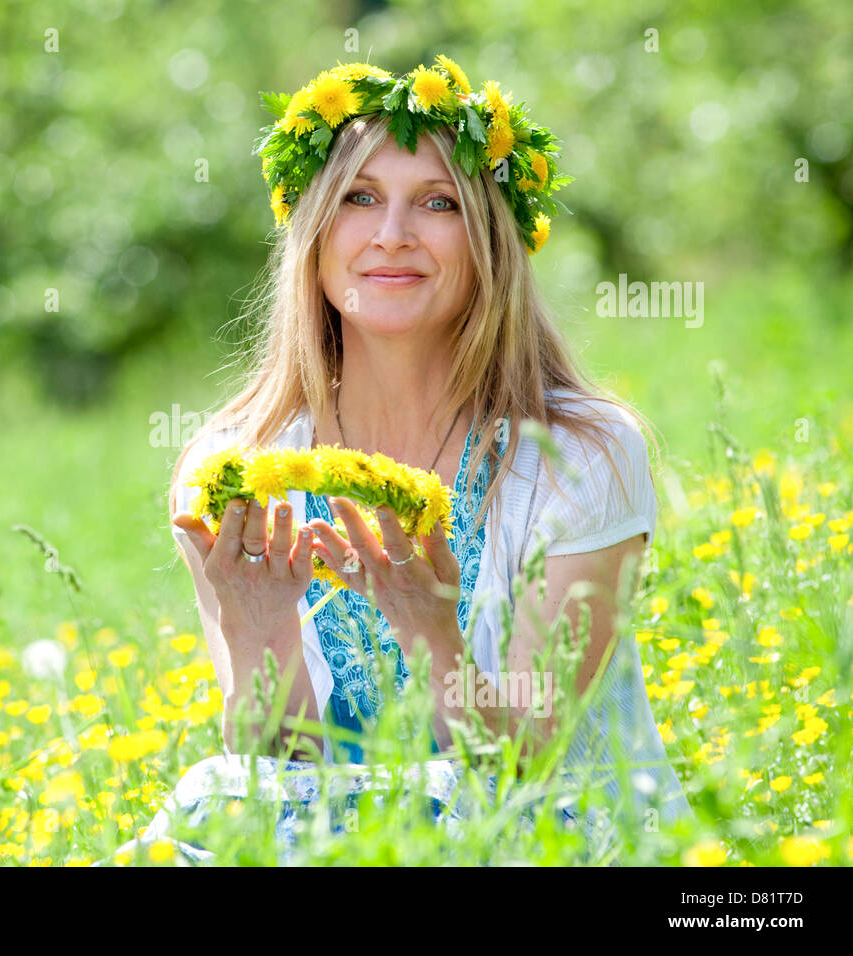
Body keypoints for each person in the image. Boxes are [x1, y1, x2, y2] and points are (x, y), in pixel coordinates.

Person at [132, 57, 692, 865]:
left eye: (437, 203)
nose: (391, 234)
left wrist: (432, 631)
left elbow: (526, 769)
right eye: (359, 198)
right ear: (315, 238)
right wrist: (256, 630)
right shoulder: (233, 469)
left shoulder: (580, 454)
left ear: (489, 243)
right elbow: (282, 784)